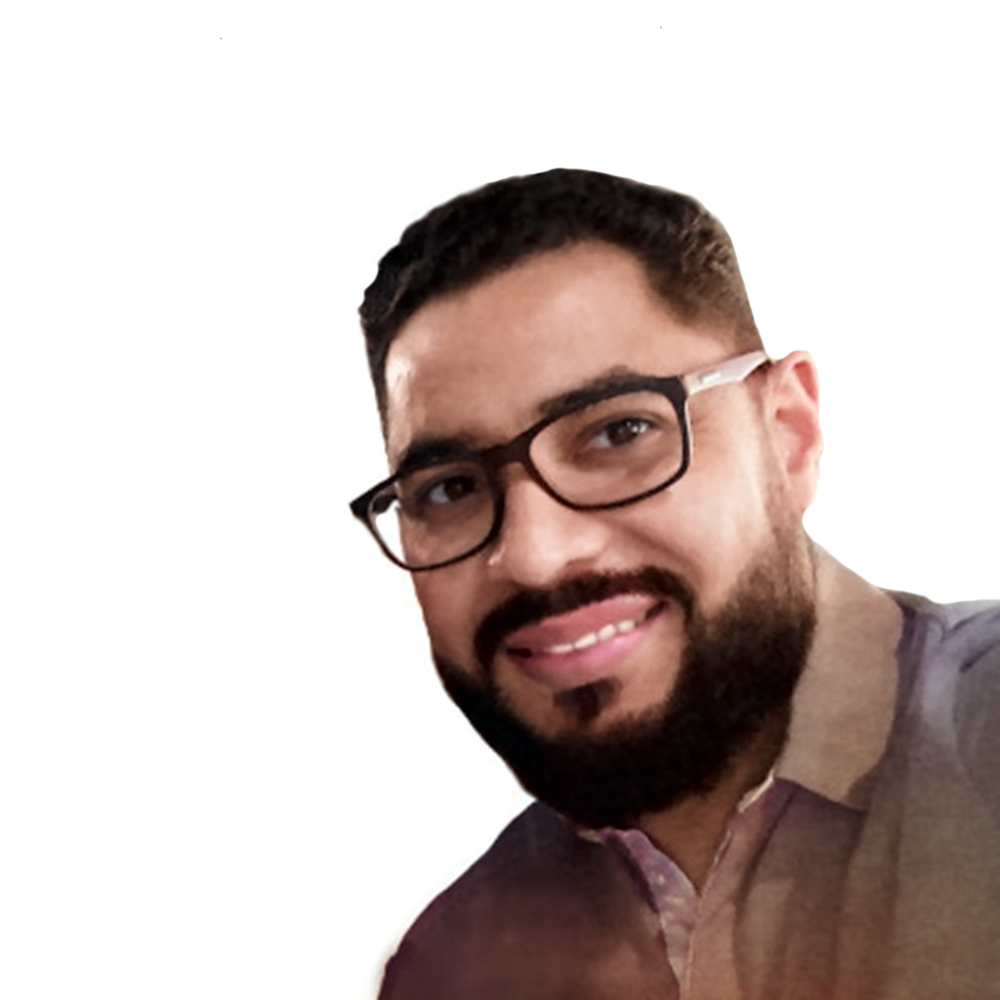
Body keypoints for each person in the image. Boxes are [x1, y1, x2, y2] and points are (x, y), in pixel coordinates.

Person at [349, 169, 1000, 999]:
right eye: (447, 487)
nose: (537, 555)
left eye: (620, 432)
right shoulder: (453, 965)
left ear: (788, 433)